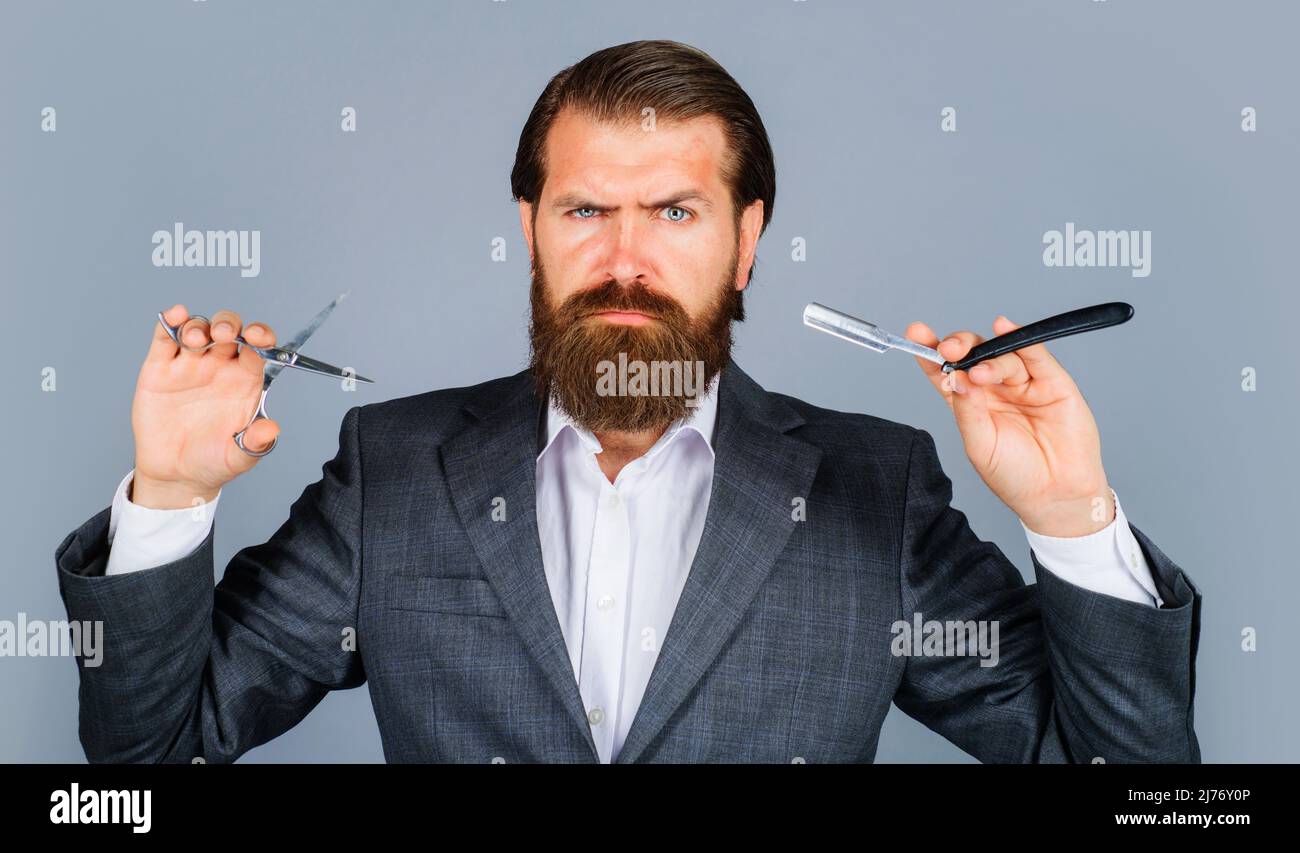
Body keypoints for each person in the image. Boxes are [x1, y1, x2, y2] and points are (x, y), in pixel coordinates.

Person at [54, 39, 1200, 764]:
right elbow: (142, 768)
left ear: (746, 242)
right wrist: (169, 494)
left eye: (676, 212)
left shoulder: (872, 490)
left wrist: (1071, 518)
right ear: (531, 230)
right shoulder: (392, 470)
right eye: (586, 211)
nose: (624, 260)